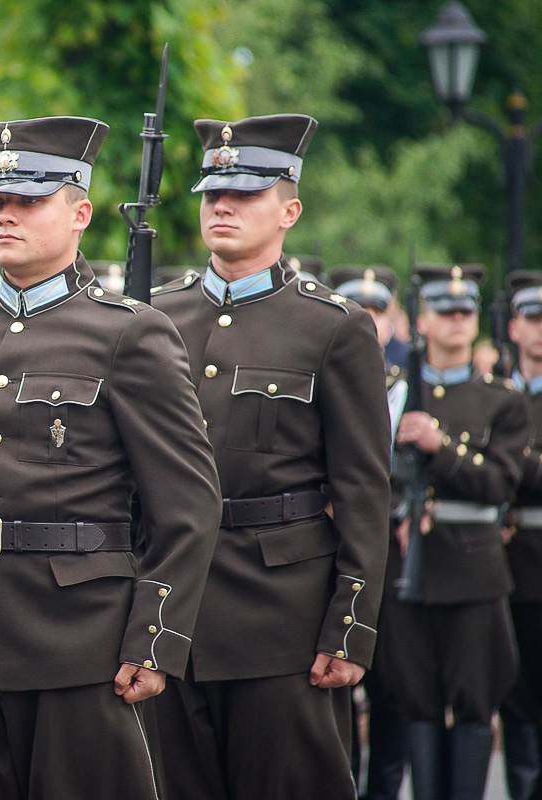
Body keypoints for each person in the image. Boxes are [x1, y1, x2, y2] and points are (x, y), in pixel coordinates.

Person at [0, 116, 221, 800]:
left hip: (79, 647)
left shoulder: (131, 334)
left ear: (80, 211)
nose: (7, 216)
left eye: (29, 201)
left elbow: (188, 507)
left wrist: (154, 636)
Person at [149, 114, 392, 800]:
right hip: (171, 616)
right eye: (211, 193)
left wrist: (351, 626)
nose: (222, 205)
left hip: (281, 624)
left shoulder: (333, 327)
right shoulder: (155, 318)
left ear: (290, 209)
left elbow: (365, 492)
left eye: (245, 194)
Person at [386, 264, 527, 800]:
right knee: (416, 701)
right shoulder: (397, 393)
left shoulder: (502, 400)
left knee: (473, 705)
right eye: (444, 312)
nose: (456, 321)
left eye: (466, 312)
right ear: (422, 320)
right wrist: (399, 515)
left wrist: (438, 447)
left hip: (473, 571)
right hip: (410, 569)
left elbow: (498, 484)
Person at [331, 265, 409, 800]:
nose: (369, 319)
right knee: (335, 688)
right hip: (327, 542)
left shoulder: (416, 379)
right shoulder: (328, 365)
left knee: (390, 688)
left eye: (377, 310)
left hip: (397, 549)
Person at [500, 271, 542, 800]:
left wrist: (509, 462)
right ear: (514, 328)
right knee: (516, 705)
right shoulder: (499, 397)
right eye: (533, 319)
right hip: (506, 568)